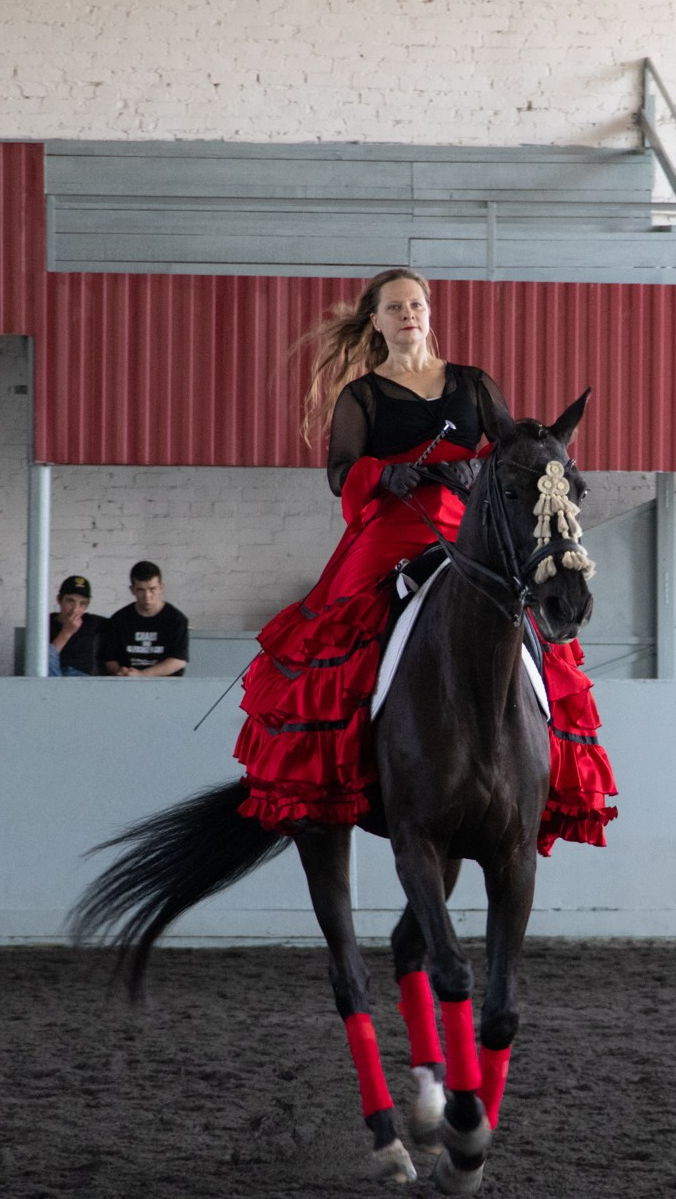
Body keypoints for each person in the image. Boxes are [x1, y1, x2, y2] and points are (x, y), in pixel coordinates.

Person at [232, 268, 614, 855]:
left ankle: (542, 755)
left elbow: (508, 449)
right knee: (343, 637)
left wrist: (477, 467)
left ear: (429, 313)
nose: (408, 314)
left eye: (416, 304)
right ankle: (348, 764)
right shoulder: (361, 396)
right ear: (377, 320)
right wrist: (384, 473)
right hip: (392, 527)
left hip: (466, 527)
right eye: (395, 307)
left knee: (531, 625)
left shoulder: (473, 384)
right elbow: (340, 474)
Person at [99, 561, 189, 678]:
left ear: (161, 588)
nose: (147, 596)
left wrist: (142, 675)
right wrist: (121, 672)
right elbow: (109, 659)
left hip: (167, 686)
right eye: (141, 590)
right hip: (126, 686)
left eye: (152, 589)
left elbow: (179, 660)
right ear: (132, 590)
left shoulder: (176, 619)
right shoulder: (119, 619)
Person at [48, 574, 106, 677]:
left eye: (82, 603)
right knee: (46, 654)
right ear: (59, 599)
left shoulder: (91, 622)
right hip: (51, 678)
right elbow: (42, 661)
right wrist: (67, 632)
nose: (75, 609)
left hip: (81, 680)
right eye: (70, 601)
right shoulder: (45, 623)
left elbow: (123, 624)